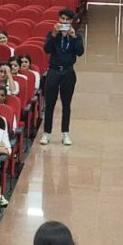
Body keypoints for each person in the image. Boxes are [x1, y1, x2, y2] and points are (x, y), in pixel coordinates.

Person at [40, 8, 84, 146]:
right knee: (50, 104)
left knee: (66, 104)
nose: (64, 21)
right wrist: (53, 35)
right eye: (62, 19)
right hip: (53, 71)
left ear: (71, 21)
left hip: (68, 72)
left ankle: (65, 133)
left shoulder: (76, 36)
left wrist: (74, 37)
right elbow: (47, 49)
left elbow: (80, 52)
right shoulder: (52, 34)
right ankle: (47, 133)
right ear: (58, 19)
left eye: (67, 19)